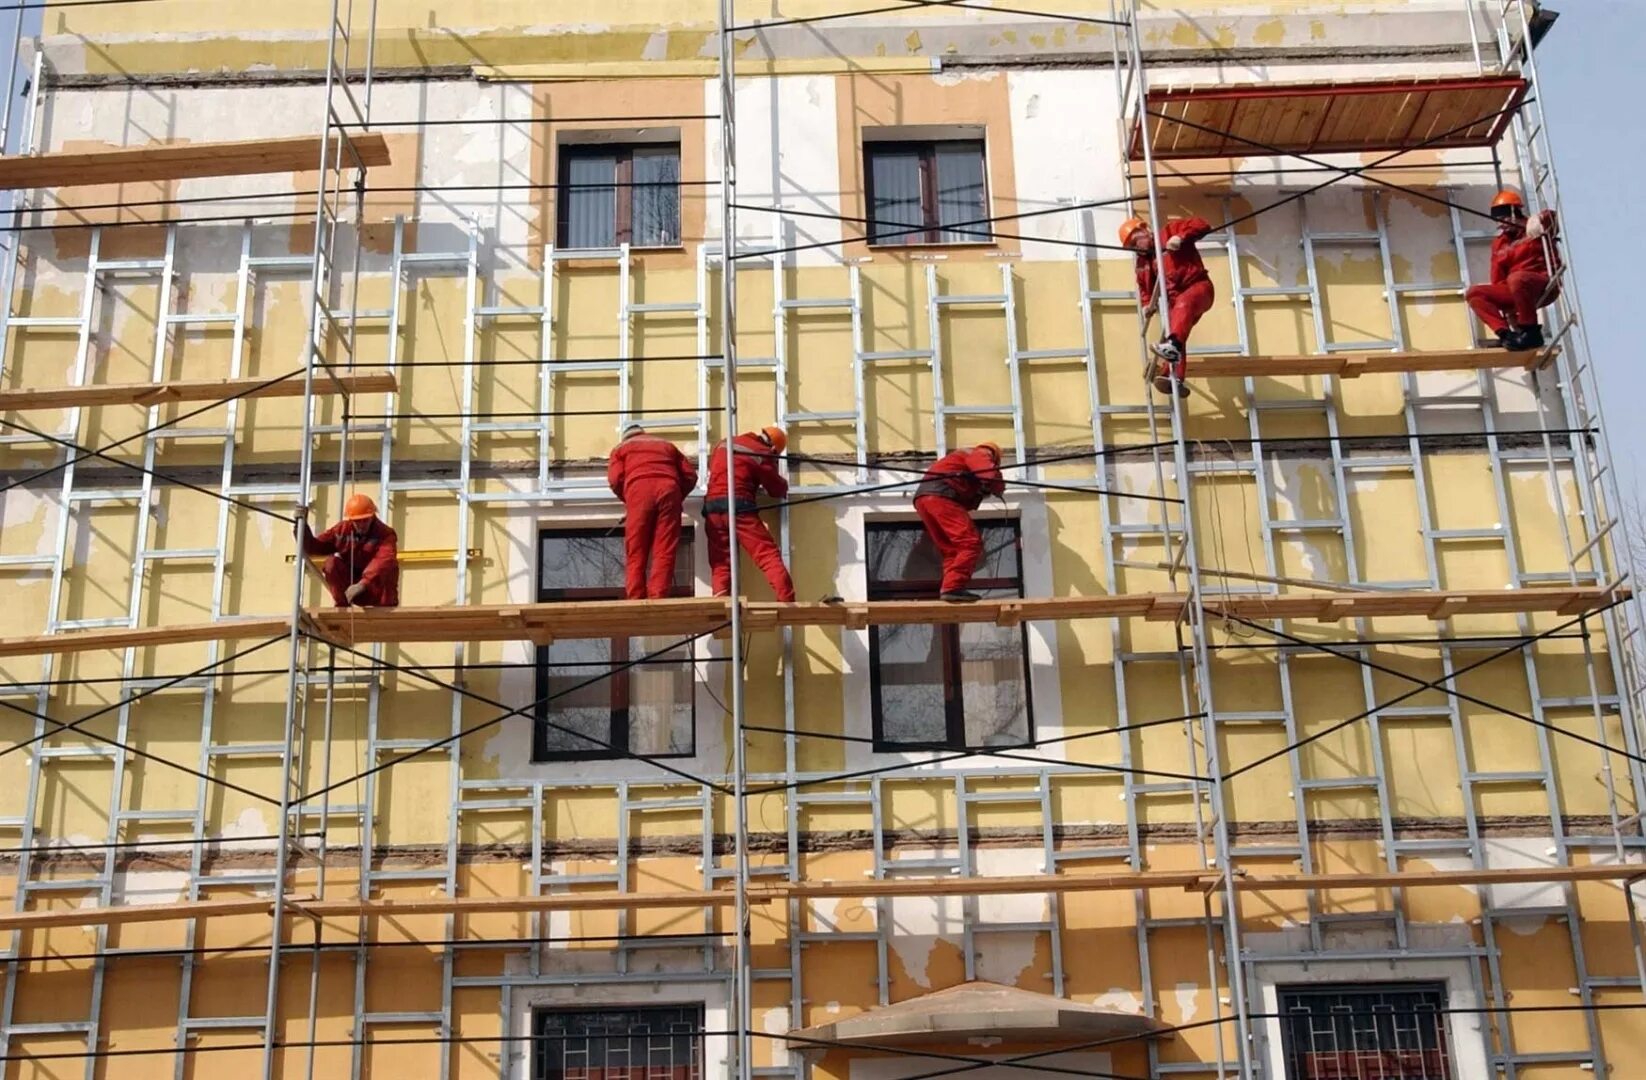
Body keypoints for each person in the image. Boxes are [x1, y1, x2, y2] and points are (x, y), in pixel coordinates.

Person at [1122, 214, 1215, 398]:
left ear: (1145, 230)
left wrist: (1181, 237)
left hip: (1199, 287)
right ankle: (1172, 376)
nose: (1135, 248)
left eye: (1135, 242)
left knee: (1179, 317)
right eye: (1131, 247)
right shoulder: (1143, 263)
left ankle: (1172, 348)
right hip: (1177, 302)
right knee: (1177, 332)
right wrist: (1147, 305)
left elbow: (1202, 223)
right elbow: (1145, 289)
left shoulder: (1170, 231)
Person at [703, 426, 795, 602]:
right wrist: (783, 484)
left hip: (712, 508)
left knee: (720, 560)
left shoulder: (725, 443)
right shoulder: (762, 453)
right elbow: (775, 488)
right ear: (774, 449)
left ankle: (720, 599)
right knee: (766, 554)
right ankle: (787, 599)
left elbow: (715, 468)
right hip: (739, 507)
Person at [607, 424, 698, 600]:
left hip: (639, 490)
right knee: (665, 547)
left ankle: (635, 597)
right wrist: (677, 496)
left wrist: (630, 500)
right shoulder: (666, 445)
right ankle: (658, 595)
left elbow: (615, 479)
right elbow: (690, 475)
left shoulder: (620, 449)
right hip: (669, 489)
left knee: (636, 548)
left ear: (625, 436)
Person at [1466, 189, 1561, 351]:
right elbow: (1498, 278)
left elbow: (1553, 220)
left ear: (1514, 212)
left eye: (1503, 218)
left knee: (1517, 278)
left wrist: (1539, 218)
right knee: (1474, 293)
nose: (1501, 223)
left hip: (1542, 283)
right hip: (1516, 289)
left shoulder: (1534, 227)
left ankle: (1530, 331)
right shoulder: (1499, 244)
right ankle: (1506, 335)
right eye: (1498, 220)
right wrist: (1509, 313)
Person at [913, 442, 1006, 603]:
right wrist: (998, 485)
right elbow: (988, 473)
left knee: (951, 550)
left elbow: (967, 498)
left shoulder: (958, 464)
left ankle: (950, 588)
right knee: (969, 543)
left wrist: (980, 489)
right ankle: (953, 586)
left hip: (924, 499)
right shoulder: (983, 452)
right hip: (941, 496)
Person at [297, 493, 399, 608]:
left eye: (365, 520)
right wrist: (301, 527)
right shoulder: (342, 530)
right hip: (352, 591)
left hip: (377, 591)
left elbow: (383, 561)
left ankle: (385, 609)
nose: (361, 524)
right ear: (351, 519)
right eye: (357, 521)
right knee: (331, 563)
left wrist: (363, 584)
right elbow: (314, 547)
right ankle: (342, 605)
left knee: (389, 566)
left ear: (372, 516)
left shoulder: (385, 534)